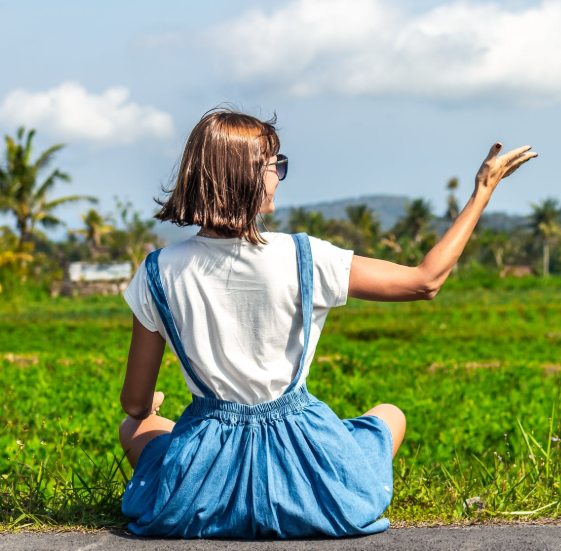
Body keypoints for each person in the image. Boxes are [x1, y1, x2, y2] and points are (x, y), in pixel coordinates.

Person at [117, 107, 537, 538]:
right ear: (245, 175)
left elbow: (134, 403)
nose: (277, 175)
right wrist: (482, 192)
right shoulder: (306, 257)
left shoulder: (157, 271)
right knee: (389, 415)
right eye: (273, 165)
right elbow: (424, 281)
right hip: (307, 477)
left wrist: (149, 409)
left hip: (201, 494)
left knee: (139, 426)